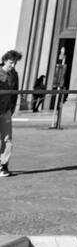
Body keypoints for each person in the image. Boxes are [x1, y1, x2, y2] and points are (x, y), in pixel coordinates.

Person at [0, 50, 23, 178]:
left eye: (15, 63)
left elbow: (15, 92)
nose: (13, 65)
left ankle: (3, 165)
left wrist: (12, 108)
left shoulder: (14, 75)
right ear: (4, 60)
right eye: (11, 63)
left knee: (7, 139)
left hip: (7, 110)